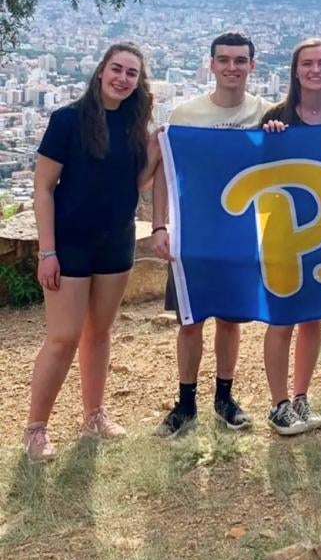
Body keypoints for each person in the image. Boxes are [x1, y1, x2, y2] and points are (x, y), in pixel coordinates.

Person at [24, 43, 159, 462]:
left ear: (139, 82)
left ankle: (94, 414)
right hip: (70, 240)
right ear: (101, 71)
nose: (123, 78)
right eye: (116, 69)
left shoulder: (136, 125)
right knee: (63, 337)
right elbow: (43, 187)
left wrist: (154, 152)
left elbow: (135, 184)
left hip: (116, 238)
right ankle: (35, 429)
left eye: (131, 73)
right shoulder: (67, 120)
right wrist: (48, 251)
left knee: (98, 333)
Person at [152, 31, 272, 437]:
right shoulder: (185, 115)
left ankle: (224, 397)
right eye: (225, 60)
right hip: (193, 230)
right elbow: (163, 174)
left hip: (242, 231)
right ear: (211, 64)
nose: (232, 67)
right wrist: (159, 226)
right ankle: (185, 403)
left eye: (241, 60)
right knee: (190, 319)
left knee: (230, 320)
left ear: (252, 65)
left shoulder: (266, 112)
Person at [259, 38, 321, 436]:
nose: (315, 70)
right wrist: (270, 136)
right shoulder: (277, 116)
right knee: (281, 317)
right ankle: (278, 402)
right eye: (307, 64)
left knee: (314, 318)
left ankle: (302, 395)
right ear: (295, 71)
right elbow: (256, 168)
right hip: (283, 231)